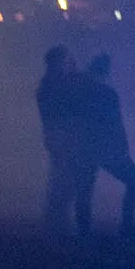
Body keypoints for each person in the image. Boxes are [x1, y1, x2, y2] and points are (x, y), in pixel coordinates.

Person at [74, 54, 135, 234]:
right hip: (106, 148)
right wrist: (122, 147)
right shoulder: (107, 94)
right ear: (106, 72)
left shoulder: (78, 93)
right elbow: (115, 124)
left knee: (84, 189)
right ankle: (127, 226)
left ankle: (84, 231)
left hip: (84, 147)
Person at [36, 46, 88, 235]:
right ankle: (56, 222)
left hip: (59, 136)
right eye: (66, 61)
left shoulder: (49, 84)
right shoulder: (52, 85)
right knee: (64, 179)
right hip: (61, 137)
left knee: (63, 178)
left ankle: (56, 220)